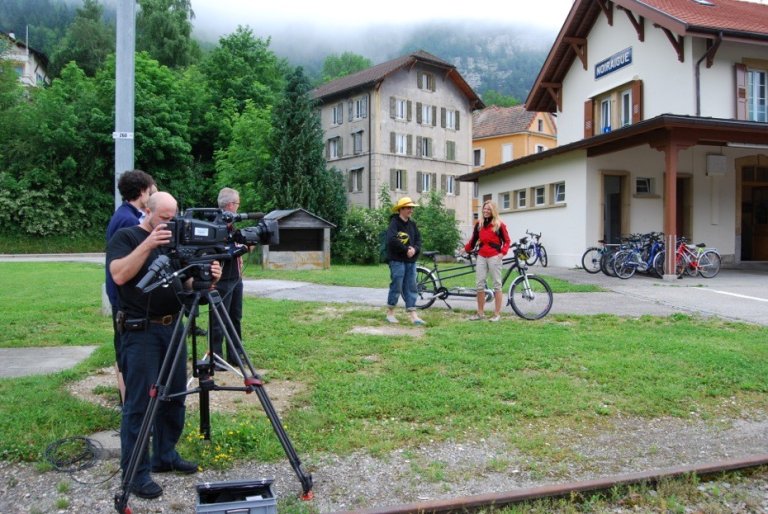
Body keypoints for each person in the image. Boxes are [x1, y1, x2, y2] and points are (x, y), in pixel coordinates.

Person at [107, 191, 222, 500]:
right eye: (164, 218)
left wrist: (206, 278)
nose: (170, 224)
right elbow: (118, 275)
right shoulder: (127, 236)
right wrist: (149, 243)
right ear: (148, 211)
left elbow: (181, 283)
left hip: (173, 327)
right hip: (140, 331)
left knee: (174, 396)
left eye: (174, 218)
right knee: (140, 405)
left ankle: (165, 455)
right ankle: (136, 473)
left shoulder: (175, 243)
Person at [105, 169, 156, 405]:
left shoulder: (128, 213)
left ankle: (129, 400)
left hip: (121, 294)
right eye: (151, 191)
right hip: (122, 296)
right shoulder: (127, 219)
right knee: (125, 350)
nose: (152, 196)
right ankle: (128, 403)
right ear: (142, 192)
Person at [209, 187, 245, 366]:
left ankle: (236, 355)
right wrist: (239, 250)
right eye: (237, 203)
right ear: (230, 205)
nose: (239, 207)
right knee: (219, 319)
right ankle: (216, 357)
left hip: (235, 278)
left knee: (235, 317)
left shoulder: (231, 224)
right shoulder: (217, 225)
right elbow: (218, 252)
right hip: (222, 280)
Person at [464, 200, 510, 322]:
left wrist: (502, 253)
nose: (486, 211)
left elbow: (507, 241)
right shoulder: (479, 224)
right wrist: (465, 249)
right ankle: (480, 313)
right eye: (484, 209)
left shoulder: (499, 225)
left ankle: (496, 314)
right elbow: (473, 241)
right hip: (481, 256)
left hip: (494, 256)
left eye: (488, 209)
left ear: (493, 211)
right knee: (479, 285)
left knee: (497, 285)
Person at [385, 197, 426, 325]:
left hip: (410, 260)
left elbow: (418, 240)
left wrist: (414, 249)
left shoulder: (412, 224)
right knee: (397, 284)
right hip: (397, 260)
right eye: (408, 208)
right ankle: (390, 312)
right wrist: (405, 250)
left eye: (412, 207)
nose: (411, 210)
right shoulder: (394, 222)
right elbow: (391, 240)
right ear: (401, 209)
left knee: (411, 286)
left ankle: (413, 314)